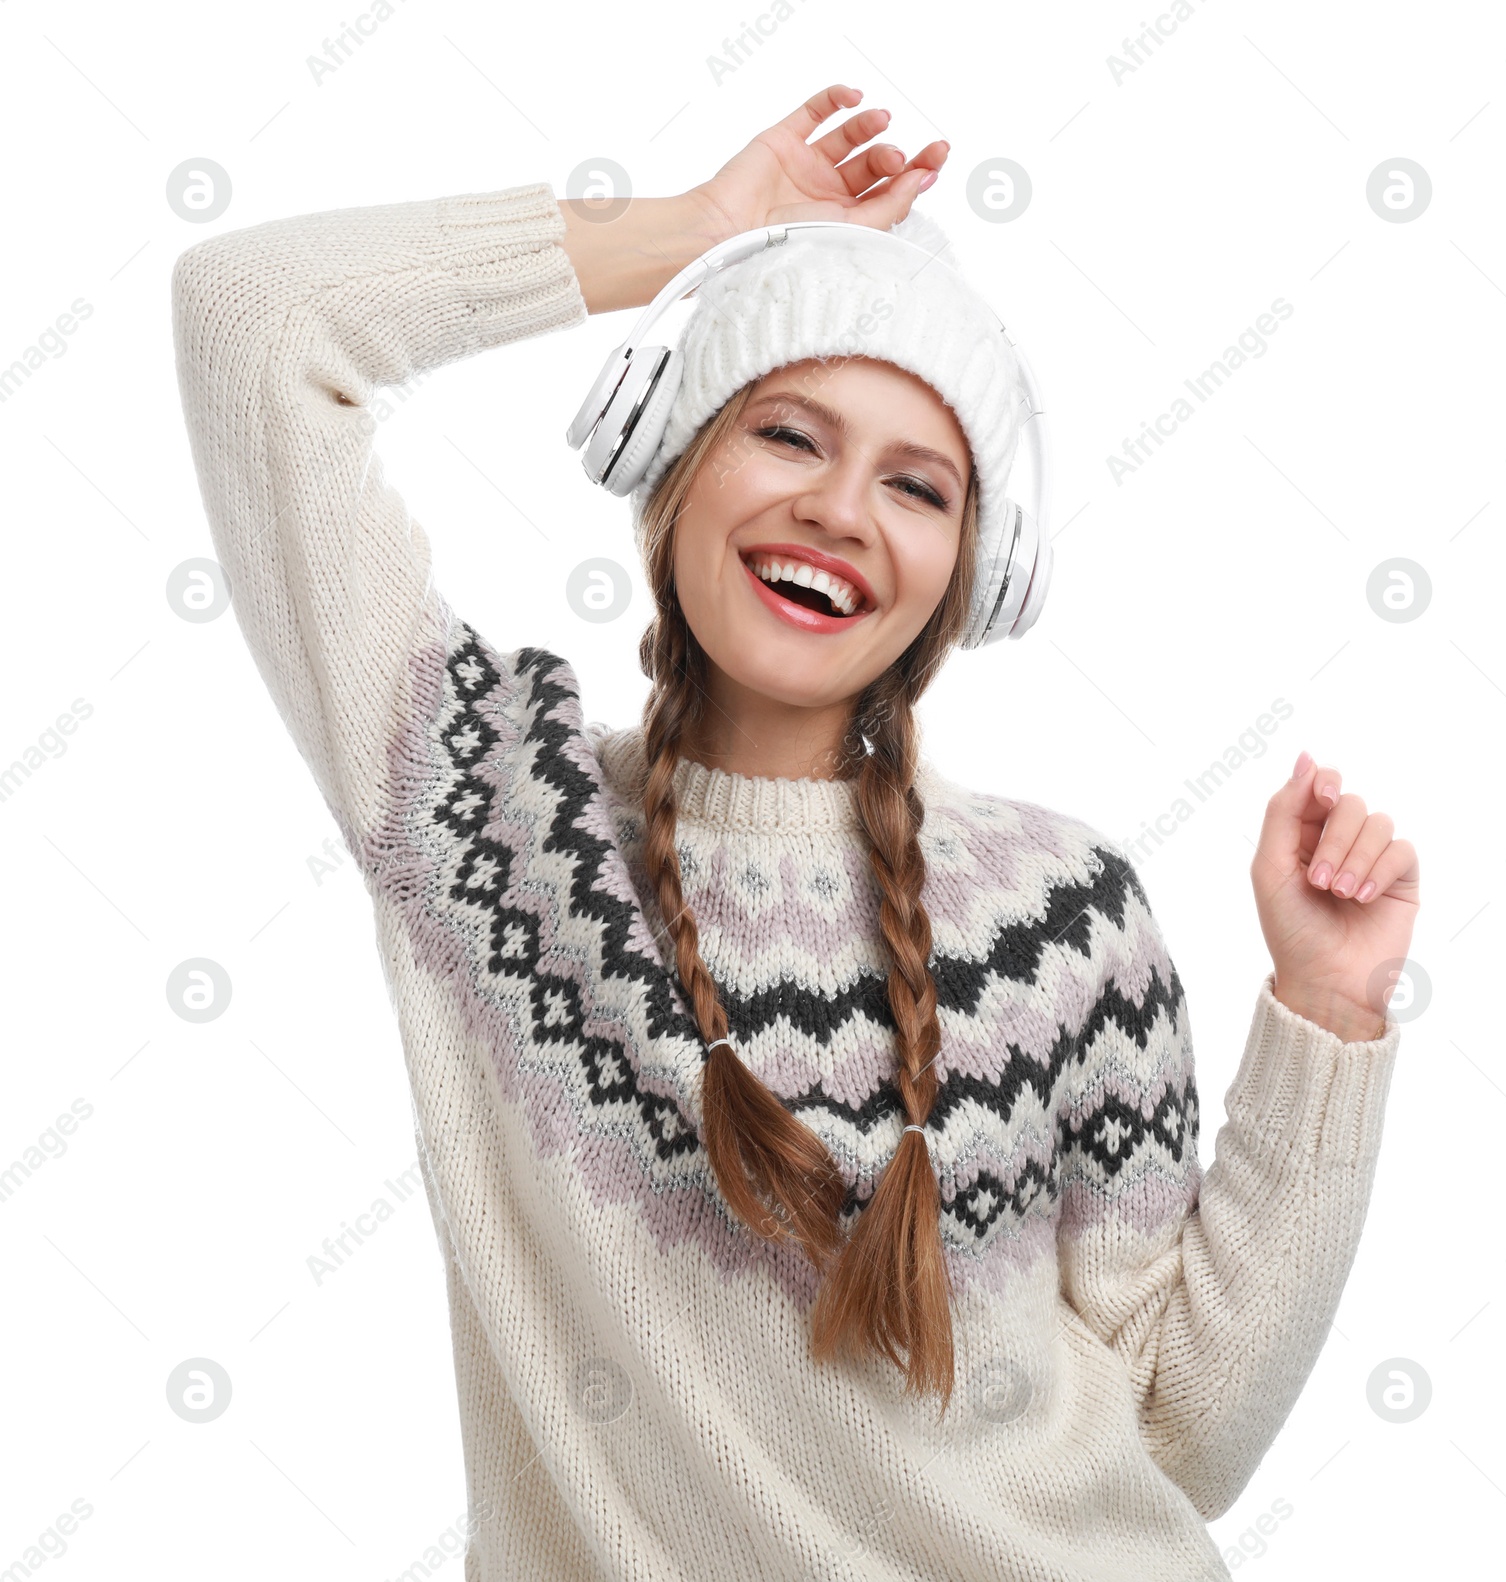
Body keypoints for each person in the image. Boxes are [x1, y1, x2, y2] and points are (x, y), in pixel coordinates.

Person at [171, 82, 1420, 1582]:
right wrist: (696, 236)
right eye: (786, 432)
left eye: (916, 484)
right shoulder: (484, 815)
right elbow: (252, 319)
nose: (841, 509)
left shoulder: (1062, 913)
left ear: (958, 575)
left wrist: (1328, 1011)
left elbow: (1183, 1430)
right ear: (677, 462)